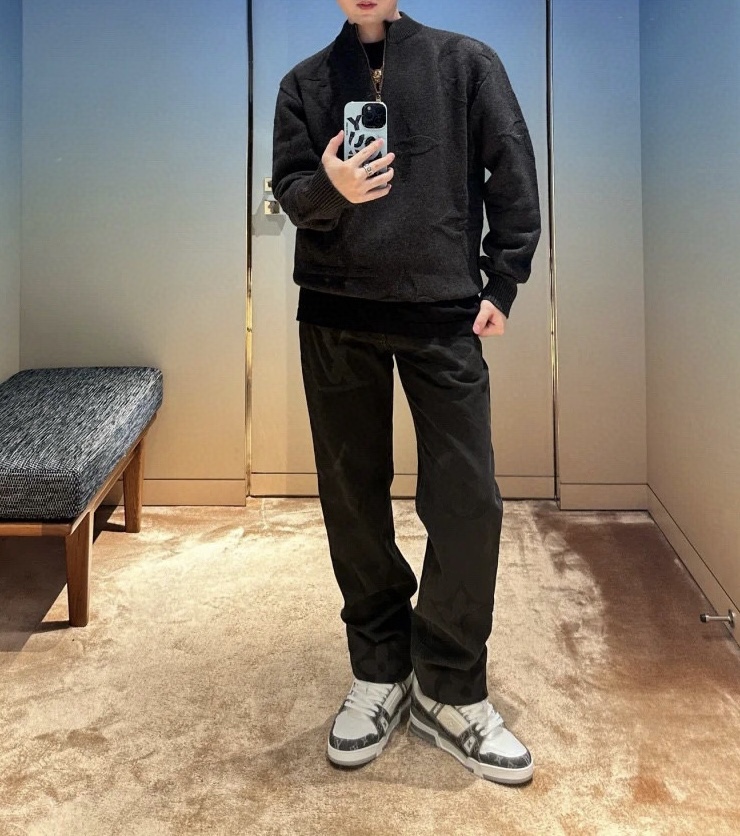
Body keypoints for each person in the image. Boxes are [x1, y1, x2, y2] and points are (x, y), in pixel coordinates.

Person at [272, 0, 541, 785]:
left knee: (468, 501)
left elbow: (512, 170)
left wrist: (504, 279)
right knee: (351, 498)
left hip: (442, 311)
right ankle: (380, 669)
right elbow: (290, 191)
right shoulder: (304, 84)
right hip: (335, 315)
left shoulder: (467, 63)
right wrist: (330, 188)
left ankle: (451, 687)